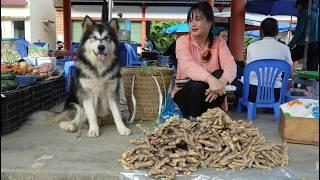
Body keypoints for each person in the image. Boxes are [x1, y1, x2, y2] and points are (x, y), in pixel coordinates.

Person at [172, 1, 237, 119]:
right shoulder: (182, 41)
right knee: (198, 85)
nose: (193, 24)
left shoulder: (219, 43)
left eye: (198, 19)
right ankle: (196, 121)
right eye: (190, 20)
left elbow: (230, 65)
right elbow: (187, 65)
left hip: (210, 97)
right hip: (185, 97)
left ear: (210, 22)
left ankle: (209, 120)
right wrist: (211, 80)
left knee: (220, 74)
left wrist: (220, 83)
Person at [238, 18, 293, 102]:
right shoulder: (285, 48)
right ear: (277, 32)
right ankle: (272, 106)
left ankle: (247, 106)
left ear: (261, 32)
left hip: (252, 92)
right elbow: (290, 72)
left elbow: (247, 70)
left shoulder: (251, 46)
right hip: (275, 93)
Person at [288, 0, 319, 71]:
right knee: (311, 70)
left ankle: (283, 77)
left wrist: (290, 45)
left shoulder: (304, 12)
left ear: (301, 3)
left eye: (298, 7)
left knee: (287, 57)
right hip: (317, 44)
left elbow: (299, 31)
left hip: (305, 44)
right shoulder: (317, 12)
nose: (298, 9)